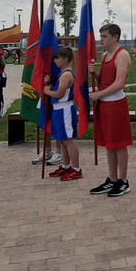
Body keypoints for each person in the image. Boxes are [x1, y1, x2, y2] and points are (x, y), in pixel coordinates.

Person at [88, 24, 133, 198]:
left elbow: (119, 83)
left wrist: (99, 94)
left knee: (119, 143)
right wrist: (95, 74)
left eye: (105, 36)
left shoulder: (122, 55)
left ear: (115, 37)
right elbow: (107, 80)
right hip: (104, 104)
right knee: (109, 143)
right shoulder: (106, 55)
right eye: (101, 36)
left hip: (115, 104)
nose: (102, 40)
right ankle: (112, 178)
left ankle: (123, 180)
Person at [43, 47, 82, 181]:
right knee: (61, 139)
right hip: (59, 109)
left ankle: (76, 168)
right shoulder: (62, 74)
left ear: (65, 59)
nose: (54, 61)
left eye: (57, 58)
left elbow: (59, 94)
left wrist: (47, 91)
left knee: (68, 140)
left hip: (64, 109)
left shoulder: (67, 74)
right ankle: (66, 166)